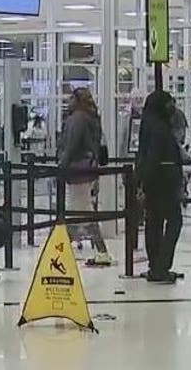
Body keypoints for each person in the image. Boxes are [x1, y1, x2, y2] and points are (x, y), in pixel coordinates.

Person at [59, 87, 113, 266]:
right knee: (83, 209)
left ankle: (61, 248)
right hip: (89, 168)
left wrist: (61, 166)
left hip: (77, 169)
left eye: (71, 99)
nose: (68, 102)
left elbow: (71, 146)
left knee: (78, 209)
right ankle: (100, 249)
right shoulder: (92, 118)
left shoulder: (77, 119)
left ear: (77, 100)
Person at [137, 90, 184, 284]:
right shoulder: (160, 128)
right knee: (174, 221)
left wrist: (141, 182)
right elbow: (154, 157)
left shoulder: (148, 124)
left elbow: (144, 156)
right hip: (164, 182)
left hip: (153, 182)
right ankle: (162, 266)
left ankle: (155, 265)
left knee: (154, 223)